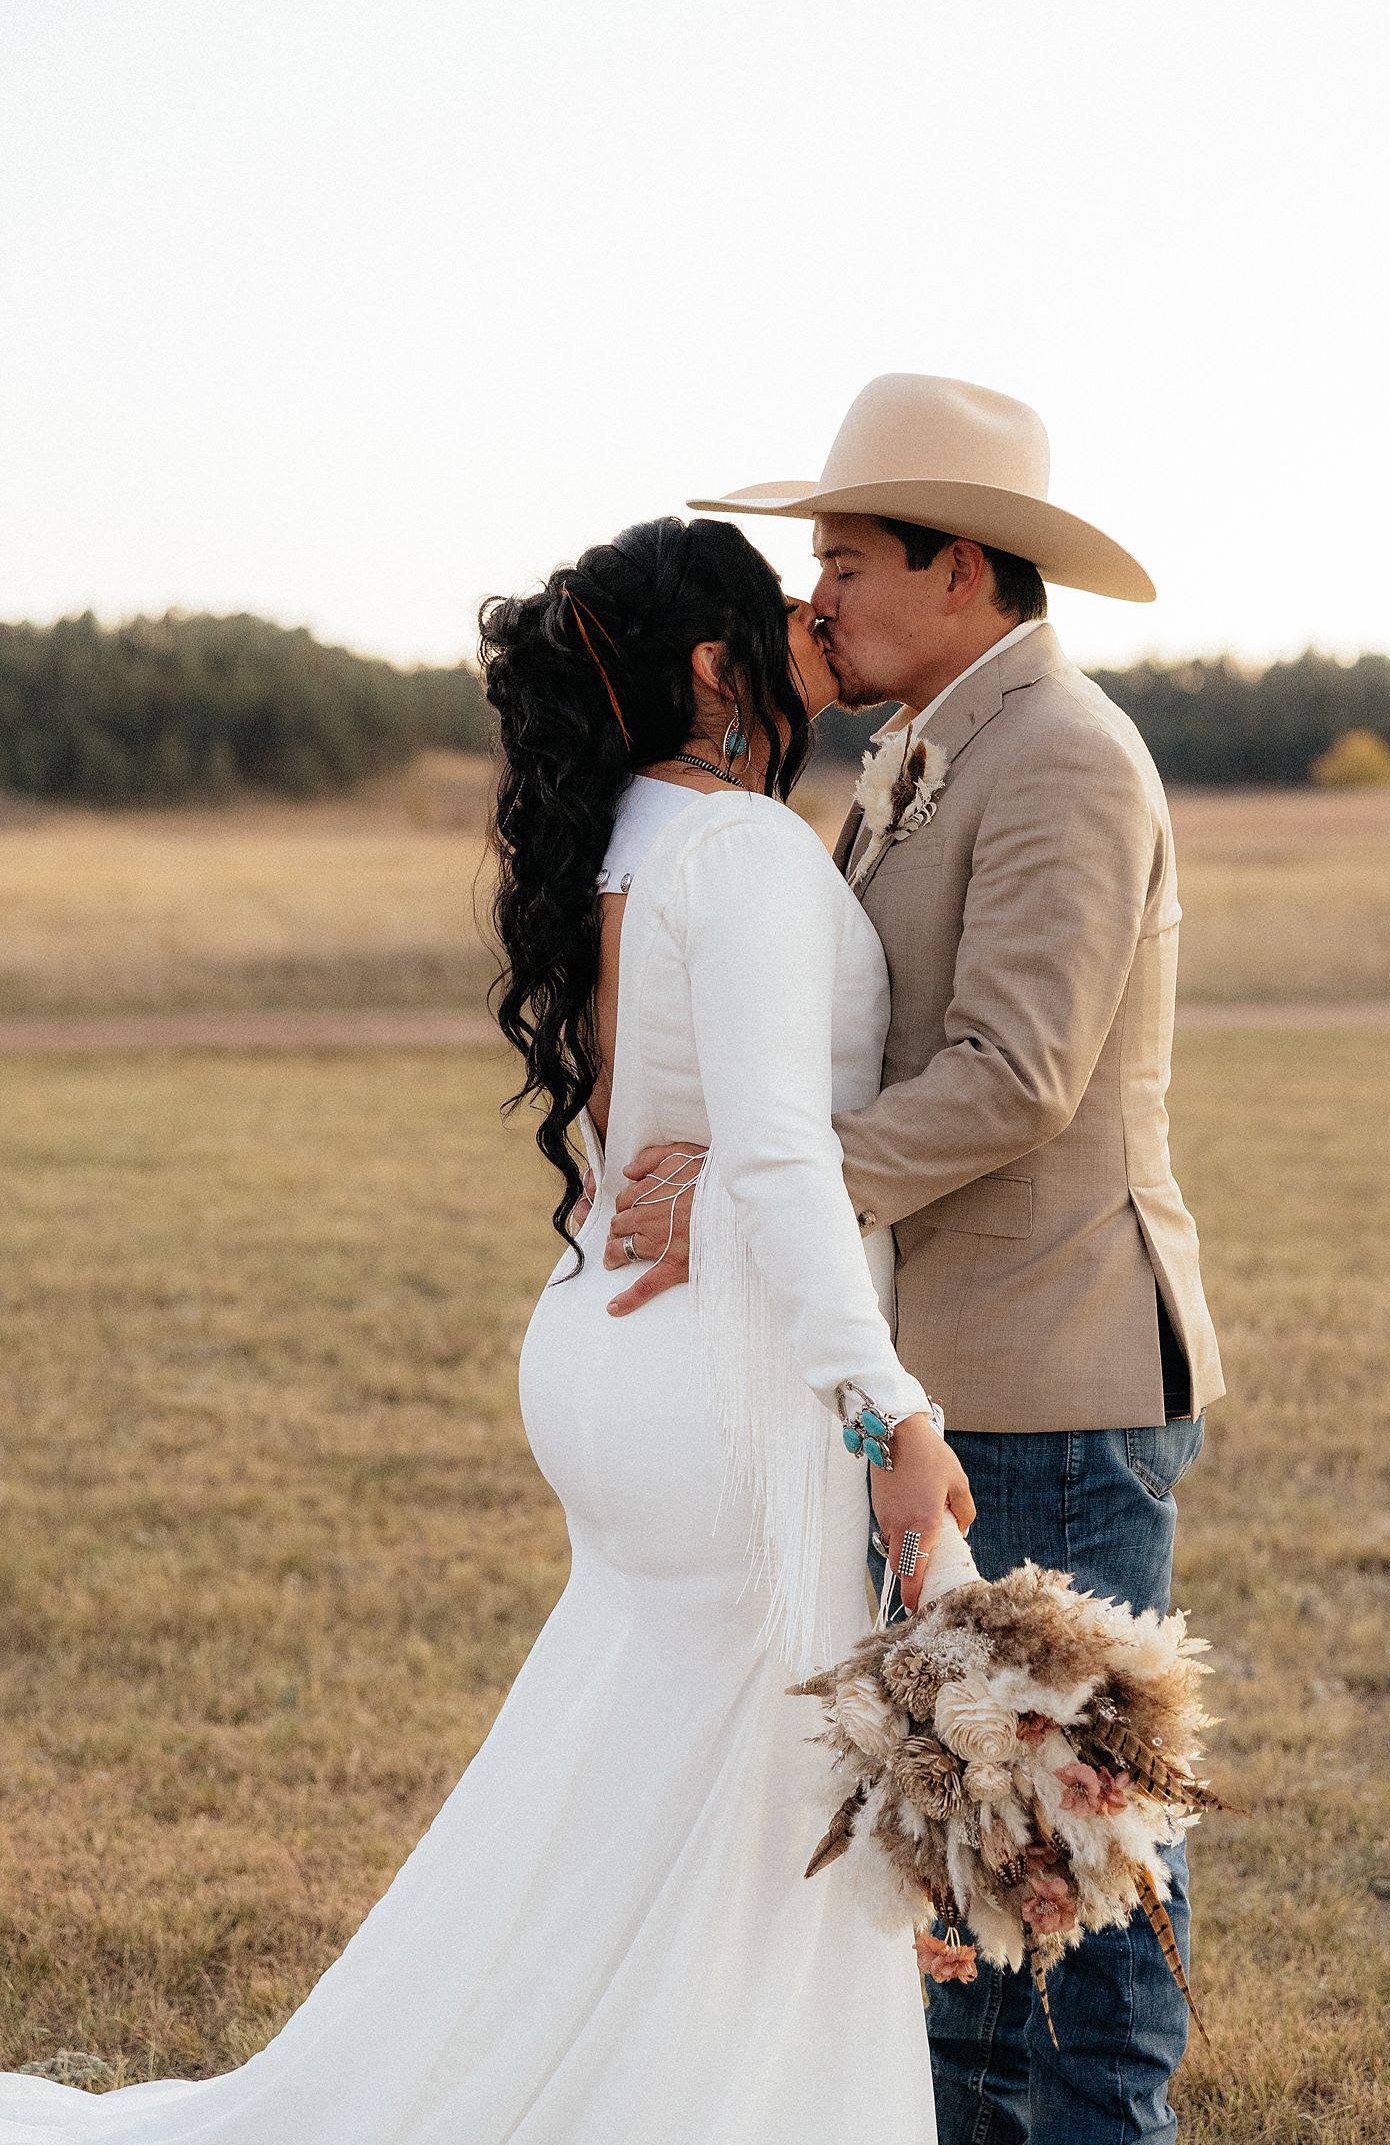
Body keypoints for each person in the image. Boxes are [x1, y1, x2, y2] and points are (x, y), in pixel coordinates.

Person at [0, 514, 974, 2145]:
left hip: (609, 1335)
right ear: (718, 670)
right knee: (757, 1823)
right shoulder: (740, 852)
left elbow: (684, 1133)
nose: (816, 621)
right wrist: (886, 1410)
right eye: (777, 612)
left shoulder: (623, 840)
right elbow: (782, 1151)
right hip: (722, 1379)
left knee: (625, 1786)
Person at [606, 374, 1226, 2145]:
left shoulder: (1067, 756)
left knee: (1075, 1856)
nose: (816, 603)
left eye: (849, 562)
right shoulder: (919, 745)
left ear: (966, 569)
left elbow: (1016, 1078)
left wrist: (750, 1177)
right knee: (957, 1856)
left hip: (1055, 1362)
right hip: (943, 1370)